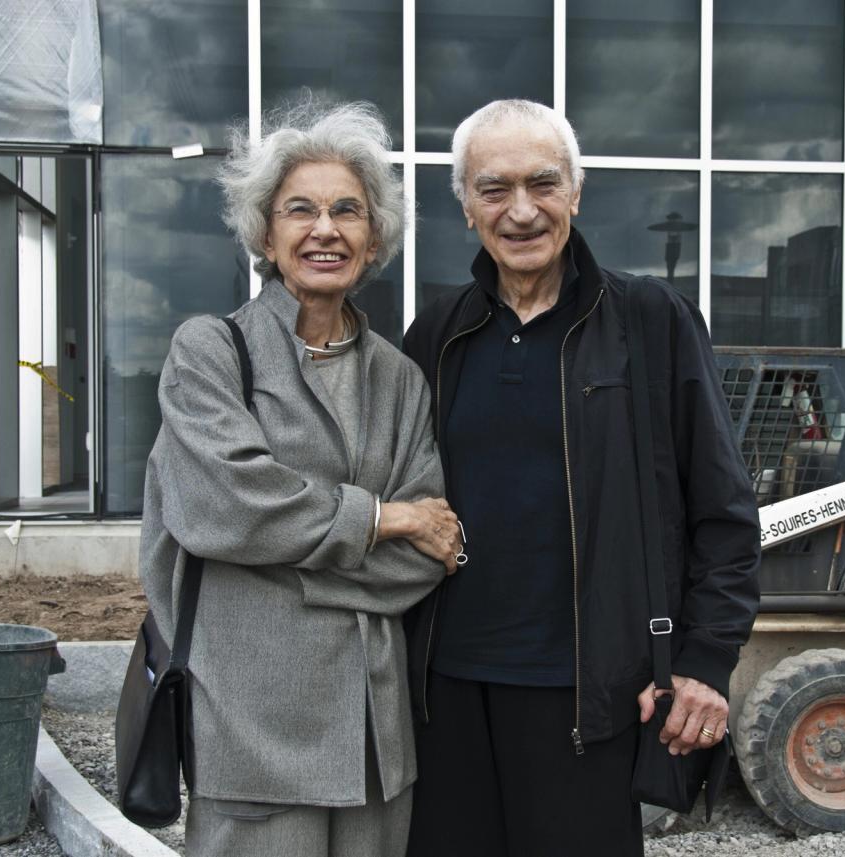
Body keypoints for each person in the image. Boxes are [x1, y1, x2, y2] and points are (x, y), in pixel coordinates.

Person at [401, 99, 762, 857]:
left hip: (590, 699)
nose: (521, 210)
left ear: (577, 190)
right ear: (465, 205)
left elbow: (724, 510)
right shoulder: (438, 334)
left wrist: (704, 660)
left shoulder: (647, 319)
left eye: (543, 183)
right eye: (494, 188)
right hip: (446, 695)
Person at [138, 100, 462, 857]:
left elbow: (427, 556)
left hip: (373, 736)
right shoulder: (210, 353)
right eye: (301, 210)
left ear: (374, 236)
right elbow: (228, 505)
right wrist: (385, 520)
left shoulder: (399, 380)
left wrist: (274, 569)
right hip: (252, 724)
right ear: (265, 232)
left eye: (348, 210)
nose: (326, 229)